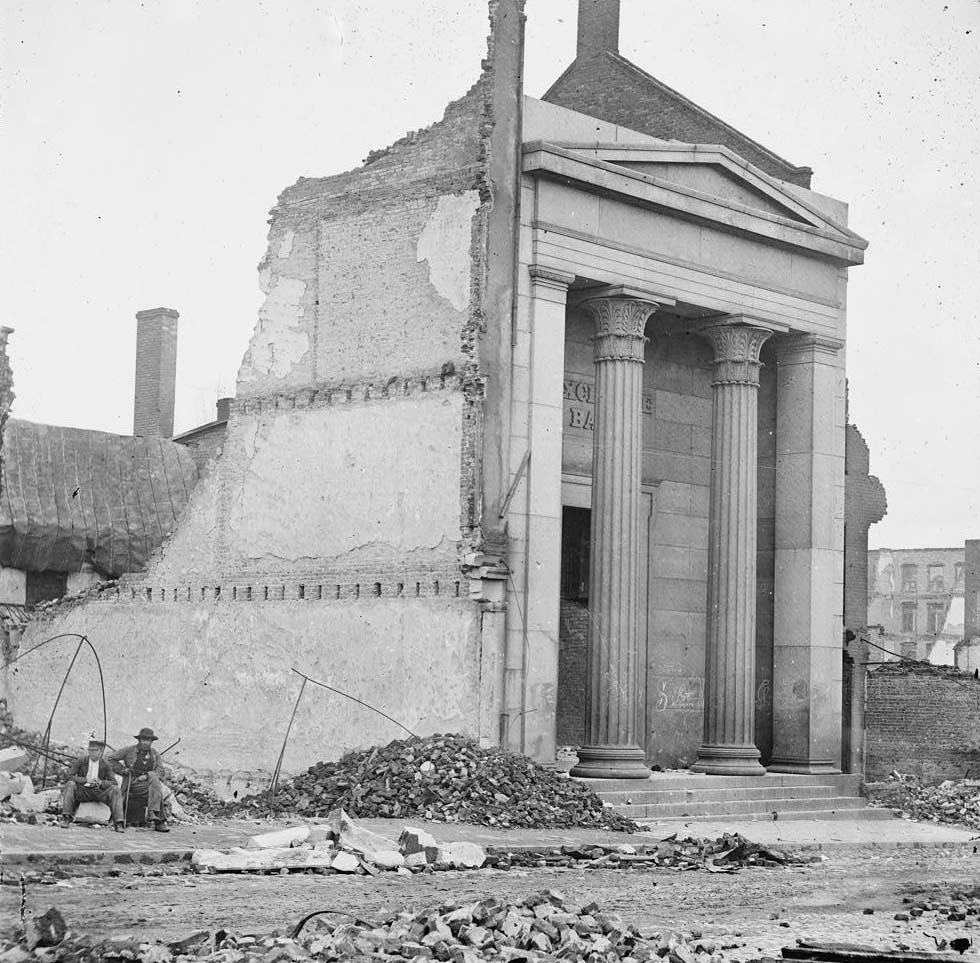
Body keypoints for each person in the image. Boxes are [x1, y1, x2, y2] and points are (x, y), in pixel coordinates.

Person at [108, 727, 171, 832]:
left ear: (151, 741)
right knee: (156, 787)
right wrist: (123, 770)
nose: (146, 743)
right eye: (144, 740)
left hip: (148, 783)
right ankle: (158, 821)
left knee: (155, 784)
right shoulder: (129, 750)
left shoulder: (155, 754)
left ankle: (153, 814)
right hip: (133, 782)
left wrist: (147, 776)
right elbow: (110, 759)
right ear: (139, 740)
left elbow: (161, 770)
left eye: (148, 740)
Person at [60, 738, 125, 832]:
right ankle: (66, 817)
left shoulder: (105, 764)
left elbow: (113, 782)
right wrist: (85, 780)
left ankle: (119, 822)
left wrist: (101, 782)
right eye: (90, 750)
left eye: (95, 751)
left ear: (101, 752)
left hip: (99, 792)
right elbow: (69, 776)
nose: (92, 753)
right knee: (70, 784)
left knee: (115, 789)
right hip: (83, 791)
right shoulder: (81, 761)